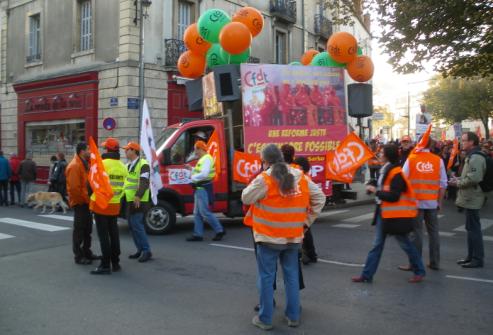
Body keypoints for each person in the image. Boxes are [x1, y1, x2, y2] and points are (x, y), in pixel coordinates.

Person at [242, 144, 325, 330]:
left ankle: (265, 319)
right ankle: (293, 316)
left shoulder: (264, 178)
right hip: (294, 236)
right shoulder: (300, 176)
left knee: (266, 277)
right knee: (292, 276)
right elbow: (320, 198)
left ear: (265, 161)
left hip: (269, 237)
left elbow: (245, 198)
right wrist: (306, 222)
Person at [352, 144, 426, 284]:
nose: (379, 154)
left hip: (394, 216)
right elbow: (382, 184)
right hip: (384, 213)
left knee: (405, 244)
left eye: (381, 153)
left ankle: (419, 271)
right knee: (378, 245)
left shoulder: (396, 172)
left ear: (387, 155)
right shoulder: (386, 168)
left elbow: (394, 196)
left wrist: (376, 191)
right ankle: (367, 275)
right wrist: (373, 185)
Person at [400, 137, 447, 271]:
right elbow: (443, 183)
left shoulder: (412, 158)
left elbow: (402, 179)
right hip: (432, 203)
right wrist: (440, 202)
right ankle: (435, 262)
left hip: (415, 203)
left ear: (418, 143)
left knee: (416, 233)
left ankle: (415, 263)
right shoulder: (438, 160)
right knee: (434, 233)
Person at [449, 132, 488, 268]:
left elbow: (474, 178)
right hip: (470, 196)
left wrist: (457, 184)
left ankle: (477, 259)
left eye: (464, 140)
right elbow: (469, 175)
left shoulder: (476, 157)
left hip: (473, 197)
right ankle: (471, 257)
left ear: (471, 142)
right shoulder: (472, 156)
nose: (462, 143)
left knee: (474, 229)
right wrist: (458, 179)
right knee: (471, 228)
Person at [89, 138, 128, 275]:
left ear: (107, 149)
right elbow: (124, 186)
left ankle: (105, 265)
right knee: (114, 233)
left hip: (101, 204)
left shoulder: (102, 164)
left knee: (103, 235)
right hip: (115, 204)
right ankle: (115, 262)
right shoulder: (123, 166)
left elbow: (92, 183)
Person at [66, 143, 99, 265]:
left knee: (87, 229)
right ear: (82, 151)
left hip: (86, 202)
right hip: (81, 203)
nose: (90, 151)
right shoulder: (75, 166)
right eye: (88, 150)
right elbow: (74, 189)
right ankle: (79, 256)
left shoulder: (84, 164)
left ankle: (87, 252)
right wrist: (86, 200)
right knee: (79, 230)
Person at [186, 140, 225, 241]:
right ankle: (198, 234)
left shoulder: (206, 159)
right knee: (198, 213)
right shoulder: (204, 159)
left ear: (200, 149)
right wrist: (192, 169)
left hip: (202, 189)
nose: (195, 152)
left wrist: (193, 178)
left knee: (204, 212)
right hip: (200, 189)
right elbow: (202, 171)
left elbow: (204, 174)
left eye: (195, 150)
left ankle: (219, 230)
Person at [123, 141, 153, 263]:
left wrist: (138, 196)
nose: (125, 151)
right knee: (132, 226)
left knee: (137, 225)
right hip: (129, 200)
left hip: (139, 200)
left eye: (127, 149)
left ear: (134, 151)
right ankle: (140, 249)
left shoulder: (143, 164)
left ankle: (147, 251)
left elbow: (144, 181)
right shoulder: (128, 165)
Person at [294, 156, 318, 265]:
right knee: (306, 232)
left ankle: (304, 254)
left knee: (302, 233)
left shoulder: (302, 178)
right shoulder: (306, 177)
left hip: (302, 208)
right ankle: (311, 254)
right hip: (305, 208)